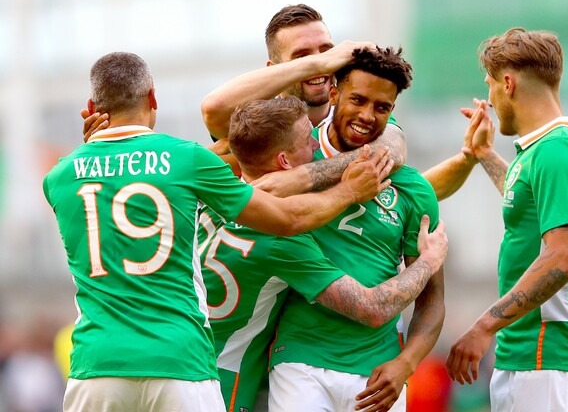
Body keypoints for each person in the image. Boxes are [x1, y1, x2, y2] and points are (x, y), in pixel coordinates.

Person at [42, 51, 393, 412]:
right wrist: (349, 191)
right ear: (153, 98)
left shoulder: (59, 177)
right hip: (180, 361)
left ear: (91, 107)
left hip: (95, 366)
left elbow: (115, 181)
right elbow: (286, 217)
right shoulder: (188, 160)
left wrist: (91, 151)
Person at [199, 95, 449, 411]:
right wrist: (428, 261)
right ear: (284, 162)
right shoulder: (282, 235)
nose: (317, 146)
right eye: (308, 140)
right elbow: (372, 308)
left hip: (167, 347)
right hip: (217, 375)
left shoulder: (212, 189)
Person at [263, 46, 442, 412]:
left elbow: (432, 302)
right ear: (333, 94)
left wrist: (405, 364)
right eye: (358, 100)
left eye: (382, 107)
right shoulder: (296, 163)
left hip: (378, 372)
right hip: (300, 360)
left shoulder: (414, 189)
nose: (367, 116)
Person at [445, 27, 568, 412]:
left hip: (551, 364)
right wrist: (484, 154)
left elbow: (563, 257)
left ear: (508, 83)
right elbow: (527, 203)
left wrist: (484, 325)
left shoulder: (558, 152)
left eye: (489, 85)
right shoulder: (548, 150)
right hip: (535, 363)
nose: (489, 99)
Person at [200, 3, 480, 200]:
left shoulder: (356, 114)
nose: (323, 64)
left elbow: (395, 155)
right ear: (275, 68)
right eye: (302, 56)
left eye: (327, 50)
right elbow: (214, 108)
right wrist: (319, 63)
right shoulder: (258, 122)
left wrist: (301, 177)